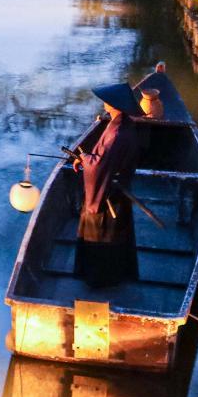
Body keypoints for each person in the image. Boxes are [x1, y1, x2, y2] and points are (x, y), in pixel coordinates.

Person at [74, 82, 143, 287]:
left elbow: (97, 166)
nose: (104, 102)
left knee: (102, 236)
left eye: (107, 100)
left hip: (108, 196)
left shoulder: (117, 133)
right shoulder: (121, 125)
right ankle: (113, 277)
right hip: (117, 191)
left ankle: (99, 281)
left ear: (114, 105)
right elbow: (102, 160)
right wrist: (87, 158)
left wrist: (85, 158)